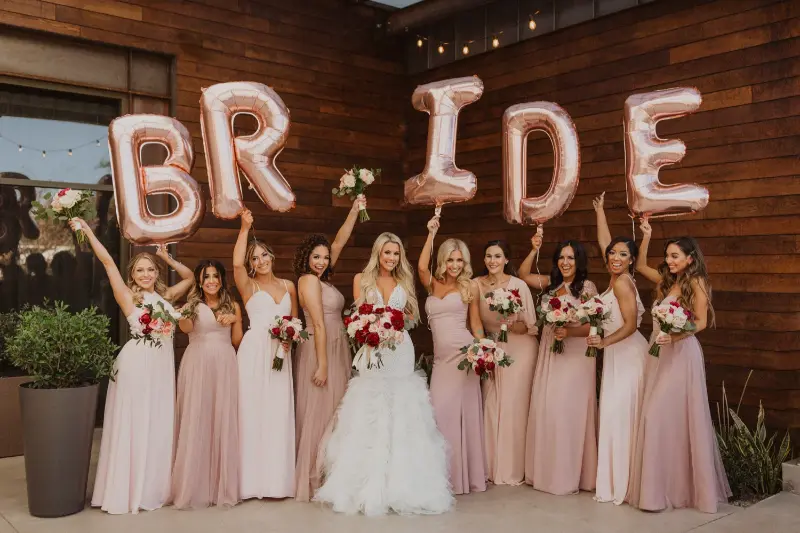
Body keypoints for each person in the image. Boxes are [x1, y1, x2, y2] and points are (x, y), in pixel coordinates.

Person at [314, 232, 453, 516]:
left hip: (400, 349)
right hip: (374, 349)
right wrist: (373, 326)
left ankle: (403, 485)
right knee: (372, 406)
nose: (391, 258)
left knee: (402, 407)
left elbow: (411, 316)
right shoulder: (361, 280)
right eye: (387, 252)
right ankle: (366, 485)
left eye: (396, 253)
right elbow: (359, 317)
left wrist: (398, 321)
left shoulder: (404, 281)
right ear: (378, 253)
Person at [69, 217, 193, 514]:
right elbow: (108, 262)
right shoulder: (127, 296)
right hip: (137, 364)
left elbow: (189, 278)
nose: (146, 274)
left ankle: (152, 487)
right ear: (132, 275)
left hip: (161, 369)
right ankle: (127, 489)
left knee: (157, 422)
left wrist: (167, 257)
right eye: (140, 270)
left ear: (156, 273)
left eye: (151, 269)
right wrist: (87, 231)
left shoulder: (165, 296)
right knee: (135, 422)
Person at [628, 217, 731, 513]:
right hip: (659, 354)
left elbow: (700, 322)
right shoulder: (667, 282)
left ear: (690, 258)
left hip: (681, 354)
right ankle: (659, 493)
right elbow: (641, 265)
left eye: (675, 256)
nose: (669, 261)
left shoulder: (697, 282)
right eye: (668, 256)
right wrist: (646, 235)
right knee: (664, 419)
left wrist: (674, 336)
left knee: (658, 416)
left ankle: (670, 492)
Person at [293, 196, 364, 502]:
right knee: (320, 410)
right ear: (306, 258)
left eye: (324, 257)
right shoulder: (308, 281)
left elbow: (339, 241)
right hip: (320, 348)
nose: (322, 261)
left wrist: (355, 210)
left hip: (337, 346)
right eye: (316, 257)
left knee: (337, 407)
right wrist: (322, 364)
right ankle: (316, 474)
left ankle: (334, 473)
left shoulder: (321, 276)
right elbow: (319, 324)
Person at [519, 234, 597, 495]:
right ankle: (547, 472)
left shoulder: (587, 288)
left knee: (568, 411)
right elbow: (523, 274)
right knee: (549, 408)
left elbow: (594, 326)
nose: (565, 262)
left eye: (571, 258)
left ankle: (569, 475)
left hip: (575, 356)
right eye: (561, 257)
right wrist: (534, 249)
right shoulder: (551, 285)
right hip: (551, 353)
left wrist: (570, 331)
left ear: (579, 261)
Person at [587, 193, 648, 505]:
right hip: (616, 356)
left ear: (631, 260)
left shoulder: (623, 283)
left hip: (628, 354)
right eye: (612, 253)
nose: (614, 257)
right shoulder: (615, 277)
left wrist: (604, 343)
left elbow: (631, 325)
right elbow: (604, 243)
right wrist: (600, 212)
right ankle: (618, 480)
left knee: (621, 416)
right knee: (614, 415)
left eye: (623, 254)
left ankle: (626, 483)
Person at [418, 215, 486, 495]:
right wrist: (431, 234)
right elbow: (421, 266)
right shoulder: (432, 284)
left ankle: (463, 477)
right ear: (443, 261)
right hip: (441, 361)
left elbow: (476, 323)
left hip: (464, 356)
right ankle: (442, 476)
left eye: (460, 260)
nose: (455, 265)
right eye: (450, 260)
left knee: (461, 415)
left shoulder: (469, 287)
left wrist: (483, 351)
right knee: (439, 411)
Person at [233, 210, 298, 500]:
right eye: (254, 259)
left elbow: (295, 321)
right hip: (254, 351)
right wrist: (244, 228)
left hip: (280, 353)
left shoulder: (288, 286)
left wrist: (289, 339)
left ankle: (277, 482)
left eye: (263, 255)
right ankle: (249, 483)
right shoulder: (249, 286)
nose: (260, 261)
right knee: (251, 410)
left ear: (271, 256)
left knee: (277, 412)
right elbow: (236, 263)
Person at [171, 260, 243, 509]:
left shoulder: (232, 305)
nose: (211, 281)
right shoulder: (192, 305)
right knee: (197, 416)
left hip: (225, 362)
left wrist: (235, 319)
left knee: (222, 417)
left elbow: (237, 341)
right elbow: (185, 329)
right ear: (200, 282)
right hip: (198, 363)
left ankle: (220, 485)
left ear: (222, 279)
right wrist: (183, 316)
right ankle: (194, 485)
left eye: (215, 276)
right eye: (206, 277)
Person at [475, 240, 538, 486]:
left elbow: (530, 326)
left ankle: (512, 468)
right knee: (491, 404)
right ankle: (491, 466)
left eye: (498, 256)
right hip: (492, 347)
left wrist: (510, 322)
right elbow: (474, 321)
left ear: (506, 260)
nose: (493, 261)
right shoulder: (476, 284)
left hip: (520, 349)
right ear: (484, 259)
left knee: (513, 407)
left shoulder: (518, 285)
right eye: (489, 256)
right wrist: (484, 347)